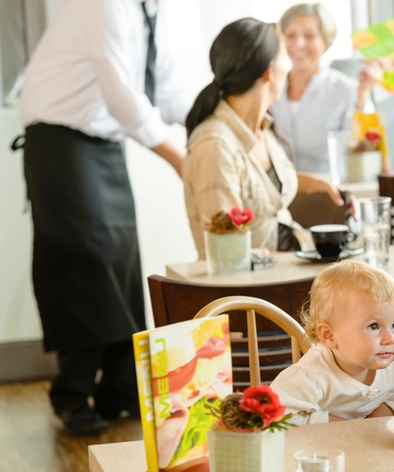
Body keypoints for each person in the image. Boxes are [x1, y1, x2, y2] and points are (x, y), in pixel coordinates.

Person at [19, 0, 191, 434]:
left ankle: (121, 389)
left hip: (104, 145)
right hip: (59, 141)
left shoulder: (157, 11)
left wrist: (221, 116)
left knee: (122, 263)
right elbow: (121, 94)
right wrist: (178, 158)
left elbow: (165, 93)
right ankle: (71, 393)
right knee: (83, 263)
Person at [183, 18, 344, 255]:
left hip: (288, 267)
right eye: (284, 59)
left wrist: (316, 184)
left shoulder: (262, 130)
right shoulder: (215, 146)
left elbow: (260, 188)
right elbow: (227, 255)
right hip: (261, 288)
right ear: (269, 72)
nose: (288, 69)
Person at [271, 260, 394, 422]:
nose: (390, 339)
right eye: (374, 326)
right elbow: (278, 416)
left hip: (366, 444)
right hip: (321, 446)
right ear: (329, 336)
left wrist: (380, 414)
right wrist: (340, 425)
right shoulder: (309, 376)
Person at [269, 3, 381, 174]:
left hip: (331, 193)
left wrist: (364, 95)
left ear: (325, 41)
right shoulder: (270, 87)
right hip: (282, 193)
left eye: (309, 36)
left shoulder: (347, 90)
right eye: (291, 35)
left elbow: (362, 146)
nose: (299, 44)